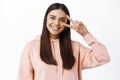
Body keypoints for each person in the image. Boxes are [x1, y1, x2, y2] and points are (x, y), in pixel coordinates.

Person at [17, 2, 110, 80]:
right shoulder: (31, 47)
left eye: (62, 20)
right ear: (46, 19)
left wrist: (86, 34)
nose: (56, 23)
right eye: (52, 18)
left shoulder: (76, 48)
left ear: (67, 24)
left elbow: (103, 58)